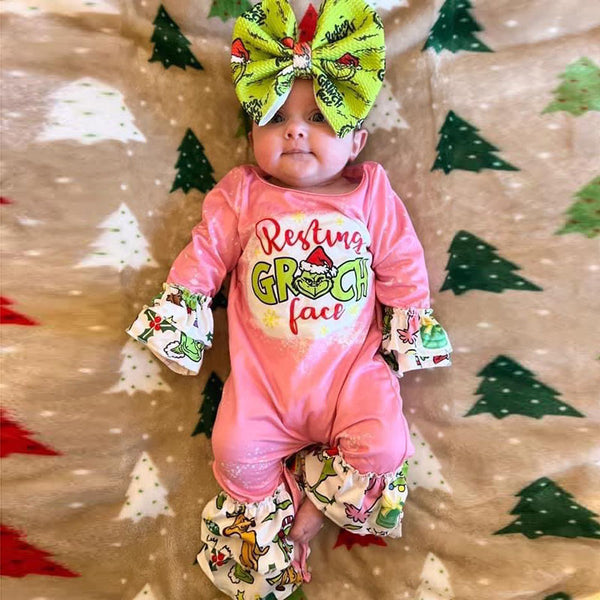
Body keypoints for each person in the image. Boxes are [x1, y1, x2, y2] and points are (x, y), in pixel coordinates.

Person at [127, 0, 452, 598]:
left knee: (385, 444)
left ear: (356, 140)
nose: (295, 130)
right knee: (232, 450)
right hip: (264, 388)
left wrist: (410, 324)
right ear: (252, 134)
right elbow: (206, 253)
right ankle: (281, 506)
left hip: (351, 377)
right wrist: (182, 307)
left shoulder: (370, 195)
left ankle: (315, 509)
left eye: (319, 118)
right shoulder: (242, 194)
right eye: (276, 117)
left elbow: (402, 260)